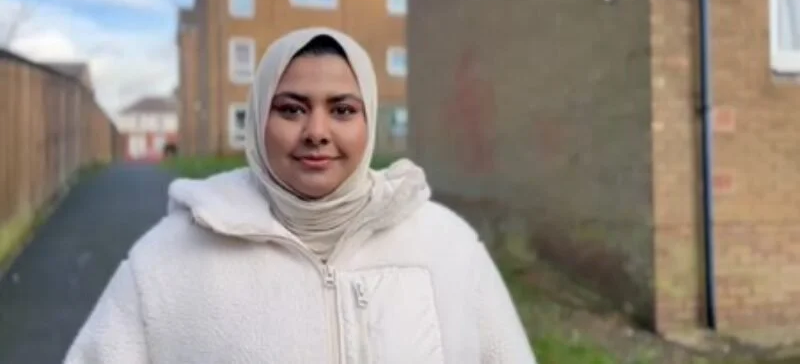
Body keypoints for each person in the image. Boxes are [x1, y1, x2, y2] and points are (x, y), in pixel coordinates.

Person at [64, 27, 537, 363]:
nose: (316, 132)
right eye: (291, 109)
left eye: (342, 110)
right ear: (257, 122)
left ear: (368, 120)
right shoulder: (165, 263)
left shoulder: (448, 247)